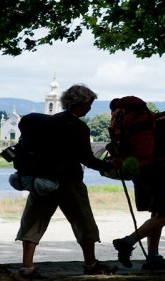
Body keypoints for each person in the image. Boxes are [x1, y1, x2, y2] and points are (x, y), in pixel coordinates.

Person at [16, 84, 121, 279]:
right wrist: (109, 166)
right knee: (83, 222)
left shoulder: (45, 123)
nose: (89, 108)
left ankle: (27, 268)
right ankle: (90, 264)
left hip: (43, 180)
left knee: (33, 223)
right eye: (89, 104)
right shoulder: (79, 127)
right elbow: (87, 159)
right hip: (69, 182)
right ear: (81, 104)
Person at [112, 88, 165, 270]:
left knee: (157, 214)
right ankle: (127, 242)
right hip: (161, 172)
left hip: (142, 169)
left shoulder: (155, 119)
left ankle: (153, 257)